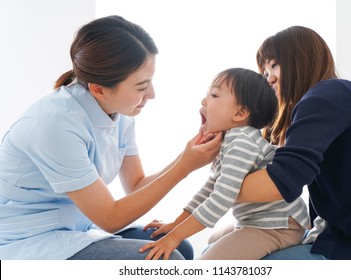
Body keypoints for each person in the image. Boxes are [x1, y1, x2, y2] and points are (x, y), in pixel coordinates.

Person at [0, 15, 222, 260]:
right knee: (166, 261)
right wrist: (184, 167)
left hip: (75, 228)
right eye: (141, 86)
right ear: (98, 88)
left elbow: (135, 186)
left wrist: (187, 156)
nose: (152, 94)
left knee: (181, 246)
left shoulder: (119, 113)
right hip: (28, 239)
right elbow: (111, 219)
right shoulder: (54, 125)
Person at [236, 26, 351, 260]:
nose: (270, 78)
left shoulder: (327, 95)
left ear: (302, 59)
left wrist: (220, 189)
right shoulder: (331, 97)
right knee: (218, 241)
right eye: (265, 72)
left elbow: (281, 182)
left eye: (274, 65)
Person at [139, 68, 310, 260]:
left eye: (214, 95)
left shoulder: (242, 141)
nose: (204, 100)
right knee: (213, 238)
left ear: (240, 112)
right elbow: (209, 189)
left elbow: (221, 198)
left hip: (276, 226)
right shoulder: (229, 139)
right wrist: (176, 224)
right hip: (257, 220)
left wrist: (174, 237)